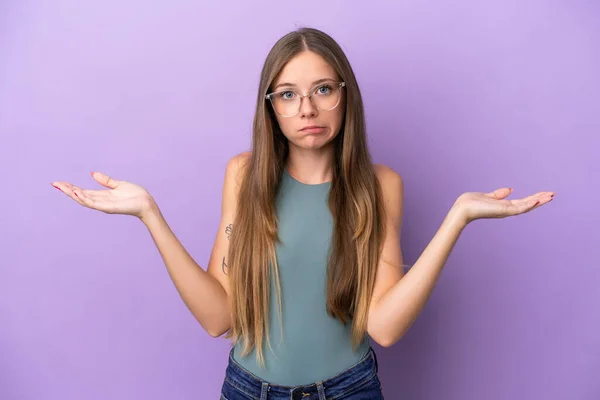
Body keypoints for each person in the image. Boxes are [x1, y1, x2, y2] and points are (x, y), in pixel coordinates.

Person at [51, 27, 555, 400]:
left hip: (349, 390)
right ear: (271, 107)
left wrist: (458, 218)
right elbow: (218, 316)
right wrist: (150, 215)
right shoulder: (243, 175)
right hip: (249, 391)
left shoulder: (381, 187)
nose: (307, 109)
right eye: (288, 95)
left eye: (323, 89)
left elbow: (383, 326)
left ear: (345, 96)